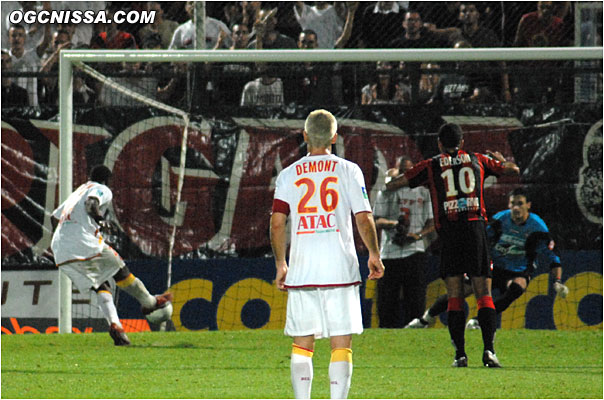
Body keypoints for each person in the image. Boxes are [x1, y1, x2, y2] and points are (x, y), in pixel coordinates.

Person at [271, 109, 385, 399]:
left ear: (305, 135)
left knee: (302, 344)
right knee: (341, 344)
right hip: (339, 269)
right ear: (335, 137)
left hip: (303, 269)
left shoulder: (288, 174)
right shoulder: (348, 170)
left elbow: (277, 222)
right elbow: (363, 217)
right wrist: (373, 253)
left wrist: (281, 264)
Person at [386, 123, 520, 368]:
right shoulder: (478, 160)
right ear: (462, 142)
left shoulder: (431, 165)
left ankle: (460, 355)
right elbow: (513, 169)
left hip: (449, 233)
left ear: (439, 143)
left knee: (455, 295)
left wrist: (390, 177)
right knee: (484, 294)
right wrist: (503, 160)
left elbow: (394, 185)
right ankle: (489, 351)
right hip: (475, 230)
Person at [407, 187, 569, 329]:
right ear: (509, 205)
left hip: (517, 271)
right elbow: (480, 239)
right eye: (513, 203)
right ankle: (424, 319)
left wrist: (558, 281)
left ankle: (478, 320)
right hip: (492, 266)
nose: (516, 208)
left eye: (520, 203)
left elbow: (554, 257)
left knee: (517, 288)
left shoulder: (538, 228)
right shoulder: (500, 220)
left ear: (528, 205)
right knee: (459, 292)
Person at [50, 165, 172, 346]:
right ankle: (150, 302)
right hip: (83, 242)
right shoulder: (101, 189)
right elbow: (92, 203)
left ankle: (116, 326)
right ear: (108, 180)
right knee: (121, 272)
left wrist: (68, 240)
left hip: (59, 248)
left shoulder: (77, 192)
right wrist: (100, 220)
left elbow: (54, 217)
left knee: (100, 284)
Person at [374, 156, 434, 328]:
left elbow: (432, 223)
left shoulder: (424, 193)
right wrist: (394, 224)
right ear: (396, 170)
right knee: (386, 305)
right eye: (402, 171)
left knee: (415, 303)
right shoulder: (386, 192)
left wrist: (418, 235)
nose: (406, 174)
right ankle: (386, 338)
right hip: (389, 253)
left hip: (415, 252)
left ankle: (414, 337)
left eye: (409, 170)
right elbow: (376, 220)